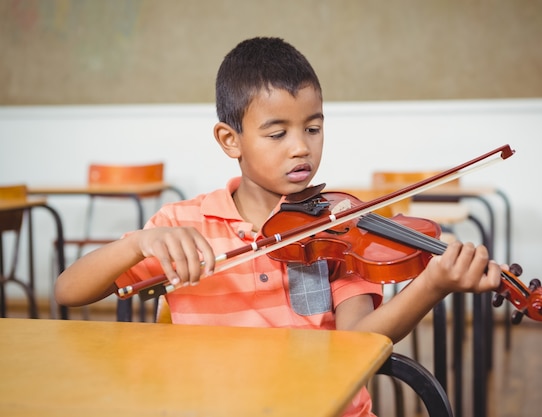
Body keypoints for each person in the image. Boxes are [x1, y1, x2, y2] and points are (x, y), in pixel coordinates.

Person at [55, 37, 501, 416]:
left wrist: (431, 285)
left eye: (312, 128)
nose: (300, 149)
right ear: (231, 140)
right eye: (277, 133)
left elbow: (357, 342)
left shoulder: (339, 228)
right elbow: (68, 292)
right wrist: (139, 243)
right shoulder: (181, 224)